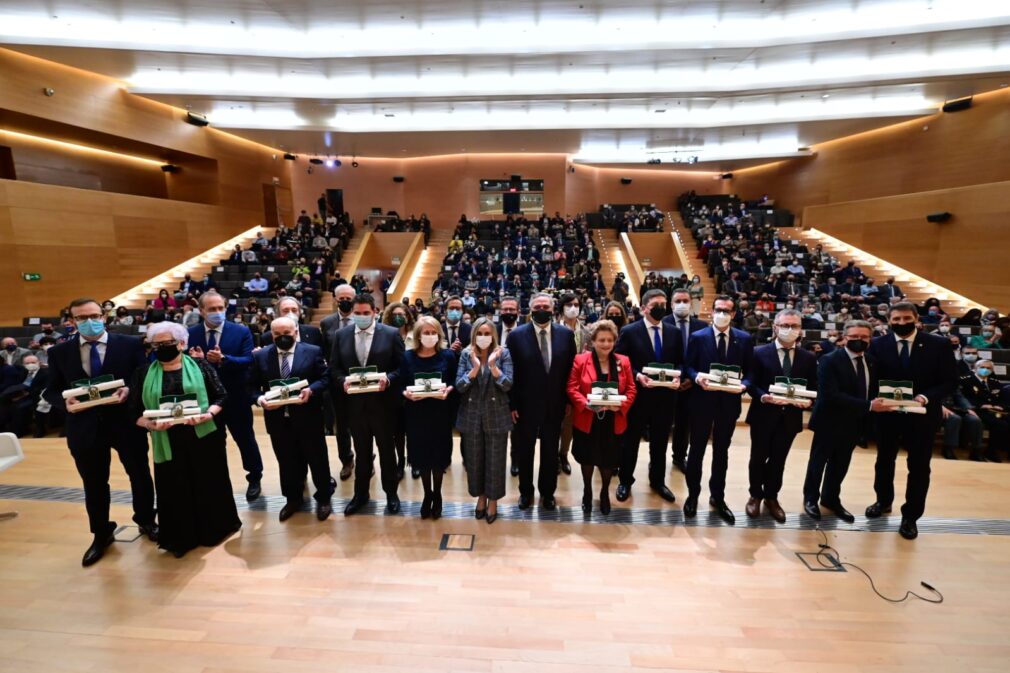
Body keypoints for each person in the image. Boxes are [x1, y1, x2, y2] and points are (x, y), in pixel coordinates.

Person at [43, 298, 157, 566]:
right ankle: (101, 533)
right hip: (84, 427)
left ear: (104, 316)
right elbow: (50, 389)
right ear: (71, 321)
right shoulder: (60, 352)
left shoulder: (129, 344)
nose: (89, 321)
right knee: (93, 484)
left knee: (139, 475)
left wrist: (130, 390)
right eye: (81, 318)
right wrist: (64, 402)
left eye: (94, 315)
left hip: (125, 423)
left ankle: (146, 521)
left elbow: (143, 377)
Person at [130, 322, 240, 557]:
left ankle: (214, 530)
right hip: (166, 439)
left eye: (167, 343)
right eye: (156, 344)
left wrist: (208, 414)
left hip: (203, 436)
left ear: (181, 343)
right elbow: (133, 412)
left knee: (209, 483)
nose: (161, 348)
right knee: (174, 488)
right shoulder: (142, 372)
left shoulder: (200, 365)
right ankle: (181, 538)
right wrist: (149, 424)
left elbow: (221, 396)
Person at [866, 302, 957, 540]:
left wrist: (927, 396)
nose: (900, 323)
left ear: (916, 318)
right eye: (895, 319)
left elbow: (949, 381)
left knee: (918, 467)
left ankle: (911, 516)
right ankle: (883, 501)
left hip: (923, 415)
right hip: (888, 414)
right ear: (889, 321)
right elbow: (872, 379)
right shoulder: (877, 344)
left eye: (906, 318)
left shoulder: (939, 344)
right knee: (884, 460)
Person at [803, 320, 893, 522]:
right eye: (854, 337)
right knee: (818, 462)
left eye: (864, 337)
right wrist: (869, 405)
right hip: (829, 421)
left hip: (855, 423)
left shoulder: (872, 361)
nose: (859, 341)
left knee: (841, 464)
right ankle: (810, 498)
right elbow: (830, 395)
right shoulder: (829, 360)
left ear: (870, 340)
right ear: (844, 338)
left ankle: (830, 499)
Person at [251, 317, 335, 522]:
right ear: (272, 335)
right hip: (278, 421)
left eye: (287, 334)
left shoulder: (312, 351)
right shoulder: (261, 356)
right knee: (286, 461)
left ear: (296, 332)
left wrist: (311, 390)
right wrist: (260, 399)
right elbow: (250, 386)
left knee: (318, 460)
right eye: (277, 335)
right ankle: (293, 499)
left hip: (309, 417)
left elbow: (325, 378)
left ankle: (324, 498)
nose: (283, 338)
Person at [329, 293, 405, 515]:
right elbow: (334, 368)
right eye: (357, 313)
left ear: (375, 313)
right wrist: (342, 381)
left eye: (366, 313)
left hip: (383, 405)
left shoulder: (390, 335)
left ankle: (391, 493)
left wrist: (388, 378)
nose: (361, 317)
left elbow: (403, 368)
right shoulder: (341, 335)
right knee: (362, 453)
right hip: (354, 407)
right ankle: (360, 495)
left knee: (387, 452)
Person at [683, 295, 754, 524]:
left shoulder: (744, 339)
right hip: (702, 401)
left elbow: (751, 373)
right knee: (696, 451)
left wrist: (745, 385)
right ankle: (693, 495)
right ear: (712, 312)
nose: (722, 314)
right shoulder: (698, 337)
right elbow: (689, 366)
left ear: (733, 314)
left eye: (727, 310)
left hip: (728, 404)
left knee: (721, 452)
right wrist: (696, 378)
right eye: (718, 310)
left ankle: (718, 497)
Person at [187, 291, 264, 500]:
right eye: (212, 309)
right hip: (207, 399)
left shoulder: (241, 331)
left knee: (245, 439)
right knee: (212, 443)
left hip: (236, 396)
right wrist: (200, 361)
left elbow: (249, 360)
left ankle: (255, 476)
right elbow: (184, 364)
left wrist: (223, 359)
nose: (218, 312)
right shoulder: (190, 333)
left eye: (221, 308)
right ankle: (217, 480)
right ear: (201, 310)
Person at [744, 309, 818, 522]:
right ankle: (755, 495)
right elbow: (751, 383)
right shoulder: (758, 352)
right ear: (775, 327)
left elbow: (813, 386)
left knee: (779, 460)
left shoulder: (808, 357)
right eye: (785, 325)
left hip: (790, 418)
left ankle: (772, 497)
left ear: (800, 330)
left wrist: (809, 400)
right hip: (763, 414)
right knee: (757, 458)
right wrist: (763, 397)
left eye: (794, 326)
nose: (789, 329)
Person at [506, 292, 577, 510]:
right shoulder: (516, 336)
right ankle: (525, 492)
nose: (541, 309)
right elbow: (512, 373)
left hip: (555, 405)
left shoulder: (566, 335)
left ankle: (548, 493)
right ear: (530, 310)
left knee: (549, 452)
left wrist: (568, 400)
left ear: (553, 308)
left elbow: (570, 371)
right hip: (525, 406)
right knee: (525, 452)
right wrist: (512, 404)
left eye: (545, 305)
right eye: (537, 306)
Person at [615, 289, 684, 504]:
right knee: (631, 441)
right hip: (638, 396)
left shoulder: (674, 332)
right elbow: (620, 362)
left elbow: (680, 361)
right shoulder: (629, 331)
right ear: (644, 307)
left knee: (660, 442)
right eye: (656, 304)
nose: (661, 307)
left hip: (665, 397)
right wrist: (636, 375)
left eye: (664, 303)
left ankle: (657, 481)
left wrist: (678, 377)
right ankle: (625, 480)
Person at [568, 320, 636, 515]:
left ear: (614, 341)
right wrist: (585, 404)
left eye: (609, 340)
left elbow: (631, 389)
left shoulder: (624, 361)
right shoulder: (581, 360)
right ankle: (587, 491)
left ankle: (605, 492)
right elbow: (572, 388)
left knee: (609, 460)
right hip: (588, 419)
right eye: (601, 340)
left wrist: (621, 405)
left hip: (614, 420)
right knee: (587, 459)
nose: (605, 344)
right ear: (593, 341)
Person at [456, 317, 513, 524]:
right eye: (479, 333)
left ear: (494, 335)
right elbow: (460, 386)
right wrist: (475, 368)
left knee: (495, 461)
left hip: (496, 414)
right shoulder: (465, 354)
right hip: (471, 415)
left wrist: (492, 366)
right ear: (473, 335)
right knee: (474, 460)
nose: (483, 337)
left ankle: (493, 501)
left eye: (487, 333)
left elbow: (507, 384)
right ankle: (480, 496)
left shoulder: (503, 353)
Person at [399, 317, 456, 518]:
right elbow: (401, 382)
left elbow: (454, 381)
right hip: (416, 414)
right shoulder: (407, 357)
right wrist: (404, 393)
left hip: (440, 413)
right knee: (421, 457)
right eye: (426, 332)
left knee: (438, 457)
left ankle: (438, 495)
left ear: (439, 335)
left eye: (433, 333)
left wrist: (449, 388)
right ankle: (427, 495)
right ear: (418, 335)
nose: (429, 336)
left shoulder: (448, 356)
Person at [662, 288, 708, 471]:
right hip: (667, 382)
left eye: (685, 300)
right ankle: (657, 457)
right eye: (678, 301)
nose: (682, 304)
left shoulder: (702, 326)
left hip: (692, 383)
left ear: (691, 303)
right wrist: (674, 376)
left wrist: (691, 378)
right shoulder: (662, 322)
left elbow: (704, 357)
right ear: (671, 304)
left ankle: (679, 457)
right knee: (663, 423)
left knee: (684, 423)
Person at [319, 283, 358, 480]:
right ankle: (346, 460)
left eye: (348, 298)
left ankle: (366, 457)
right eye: (340, 298)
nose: (344, 301)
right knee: (341, 425)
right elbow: (325, 352)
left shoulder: (362, 319)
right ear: (335, 299)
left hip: (360, 380)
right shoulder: (326, 323)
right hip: (337, 382)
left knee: (362, 423)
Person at [558, 292, 591, 476]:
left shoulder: (587, 332)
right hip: (557, 384)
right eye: (569, 305)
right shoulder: (554, 329)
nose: (573, 308)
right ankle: (552, 455)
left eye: (576, 305)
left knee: (569, 425)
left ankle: (563, 454)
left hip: (578, 385)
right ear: (562, 308)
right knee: (555, 422)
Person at [383, 301, 416, 478]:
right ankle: (400, 462)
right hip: (392, 389)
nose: (398, 317)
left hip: (412, 387)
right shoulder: (385, 336)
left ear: (407, 316)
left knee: (413, 427)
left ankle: (414, 460)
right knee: (397, 431)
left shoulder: (415, 334)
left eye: (402, 314)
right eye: (395, 314)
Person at [959, 357, 1009, 463]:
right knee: (1000, 424)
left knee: (1004, 421)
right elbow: (964, 397)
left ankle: (998, 450)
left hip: (995, 410)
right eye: (982, 367)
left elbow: (1002, 398)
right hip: (977, 410)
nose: (985, 370)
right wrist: (981, 405)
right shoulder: (966, 380)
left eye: (988, 368)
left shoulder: (994, 381)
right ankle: (989, 451)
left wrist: (1000, 406)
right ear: (975, 368)